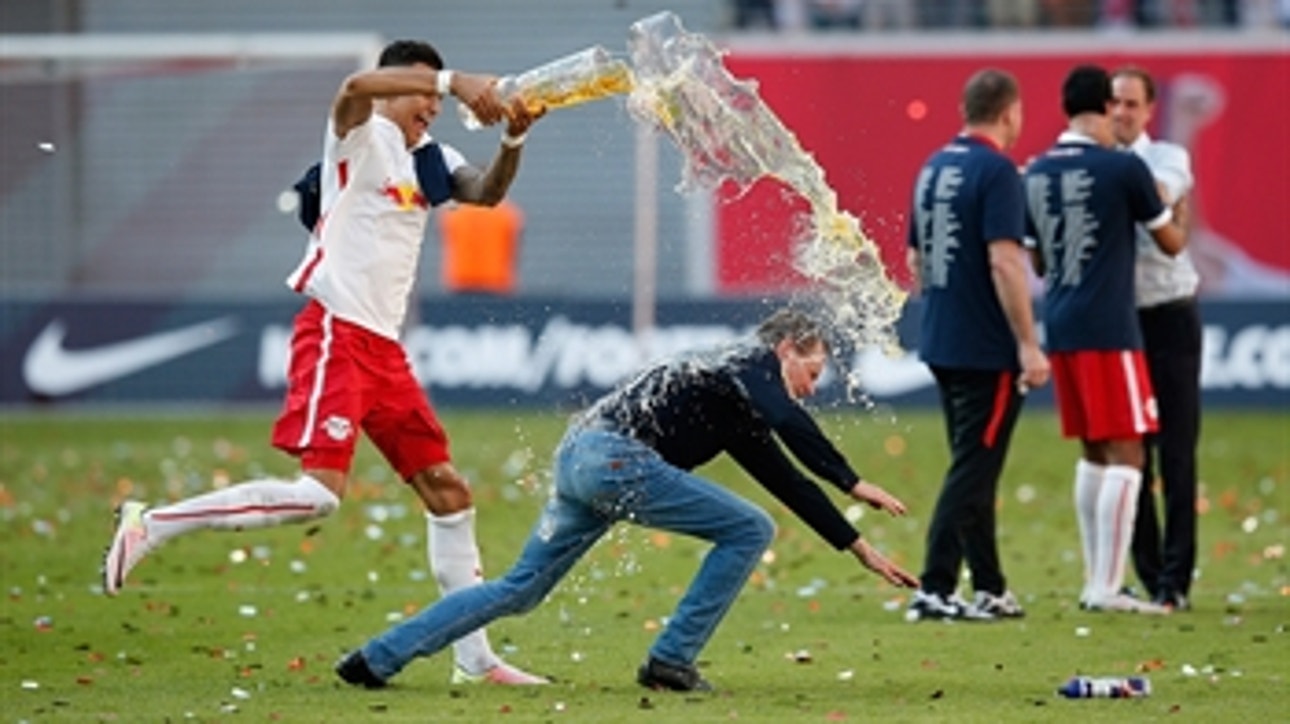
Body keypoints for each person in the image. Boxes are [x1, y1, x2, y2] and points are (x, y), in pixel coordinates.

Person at [103, 39, 549, 685]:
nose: (432, 108)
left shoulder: (431, 156)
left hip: (384, 350)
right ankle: (153, 524)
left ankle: (474, 661)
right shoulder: (358, 134)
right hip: (337, 331)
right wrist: (451, 79)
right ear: (393, 87)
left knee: (448, 493)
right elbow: (349, 90)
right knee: (317, 498)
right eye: (421, 94)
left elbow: (482, 193)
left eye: (435, 98)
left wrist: (512, 140)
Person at [334, 308, 920, 692]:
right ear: (787, 347)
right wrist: (851, 480)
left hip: (580, 459)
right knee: (749, 530)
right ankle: (671, 661)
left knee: (521, 590)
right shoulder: (748, 362)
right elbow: (788, 419)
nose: (811, 388)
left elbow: (788, 480)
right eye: (812, 371)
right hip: (615, 461)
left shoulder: (738, 398)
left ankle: (376, 658)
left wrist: (859, 548)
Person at [1023, 65, 1187, 614]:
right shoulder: (1122, 169)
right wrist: (1175, 214)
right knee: (1129, 450)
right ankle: (1107, 588)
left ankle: (1097, 582)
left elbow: (1040, 257)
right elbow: (1169, 243)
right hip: (1110, 325)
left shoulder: (1038, 171)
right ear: (1103, 105)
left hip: (1061, 322)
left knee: (1094, 450)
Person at [904, 69, 1050, 622]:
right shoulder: (997, 171)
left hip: (941, 338)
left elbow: (917, 261)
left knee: (974, 465)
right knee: (973, 470)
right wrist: (1029, 345)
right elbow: (1005, 260)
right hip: (985, 348)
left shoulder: (934, 167)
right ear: (1010, 112)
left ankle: (989, 585)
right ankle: (936, 587)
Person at [1111, 66, 1199, 611]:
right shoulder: (1096, 163)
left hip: (1170, 313)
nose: (1119, 112)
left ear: (1148, 110)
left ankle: (1176, 579)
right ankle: (1148, 575)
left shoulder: (1166, 157)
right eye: (1112, 103)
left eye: (1129, 103)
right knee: (1129, 449)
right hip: (1120, 319)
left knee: (1177, 450)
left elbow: (1161, 191)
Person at [439, 199, 523, 295]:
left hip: (462, 281)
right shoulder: (508, 214)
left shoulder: (454, 214)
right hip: (496, 282)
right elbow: (513, 251)